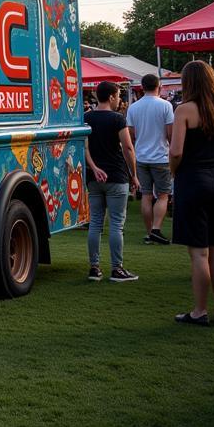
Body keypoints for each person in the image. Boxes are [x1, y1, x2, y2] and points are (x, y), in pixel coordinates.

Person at [169, 60, 214, 326]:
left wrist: (173, 170)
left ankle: (200, 311)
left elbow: (176, 151)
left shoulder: (184, 110)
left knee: (199, 253)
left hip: (194, 180)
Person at [84, 80, 139, 283]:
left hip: (94, 177)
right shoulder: (117, 119)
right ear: (110, 97)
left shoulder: (86, 117)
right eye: (118, 96)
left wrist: (94, 168)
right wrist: (134, 175)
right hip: (116, 176)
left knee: (96, 223)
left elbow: (84, 148)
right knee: (116, 224)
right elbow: (128, 148)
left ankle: (94, 268)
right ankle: (117, 269)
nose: (119, 100)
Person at [127, 73, 174, 245]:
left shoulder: (133, 107)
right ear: (159, 86)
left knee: (146, 195)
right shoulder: (165, 105)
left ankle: (149, 233)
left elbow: (131, 134)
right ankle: (156, 229)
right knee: (163, 195)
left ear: (142, 87)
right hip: (160, 156)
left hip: (141, 156)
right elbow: (170, 134)